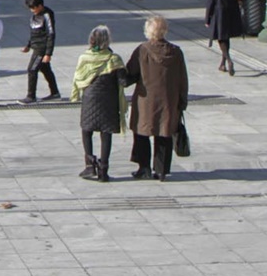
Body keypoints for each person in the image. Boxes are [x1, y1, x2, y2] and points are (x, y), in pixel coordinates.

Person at [124, 15, 188, 181]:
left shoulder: (142, 50)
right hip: (169, 100)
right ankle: (161, 170)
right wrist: (182, 100)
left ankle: (143, 167)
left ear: (148, 31)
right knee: (164, 133)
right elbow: (183, 78)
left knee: (142, 132)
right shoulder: (176, 52)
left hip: (146, 100)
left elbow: (130, 74)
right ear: (165, 31)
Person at [73, 25, 127, 182]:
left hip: (89, 100)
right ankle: (103, 170)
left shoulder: (84, 58)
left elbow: (78, 78)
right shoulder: (114, 59)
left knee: (86, 131)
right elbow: (123, 81)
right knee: (106, 134)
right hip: (108, 102)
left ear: (91, 40)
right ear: (107, 41)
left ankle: (90, 165)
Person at [205, 0, 245, 76]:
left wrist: (208, 18)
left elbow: (211, 1)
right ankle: (222, 63)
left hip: (219, 12)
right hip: (233, 11)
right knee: (226, 37)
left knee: (221, 37)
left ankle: (228, 60)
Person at [20, 0, 59, 102]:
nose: (32, 10)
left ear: (40, 5)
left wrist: (48, 53)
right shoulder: (35, 15)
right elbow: (34, 32)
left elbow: (51, 34)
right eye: (30, 8)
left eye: (34, 8)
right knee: (45, 69)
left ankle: (31, 95)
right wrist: (28, 45)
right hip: (36, 45)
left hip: (42, 47)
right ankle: (55, 92)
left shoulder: (47, 14)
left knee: (32, 69)